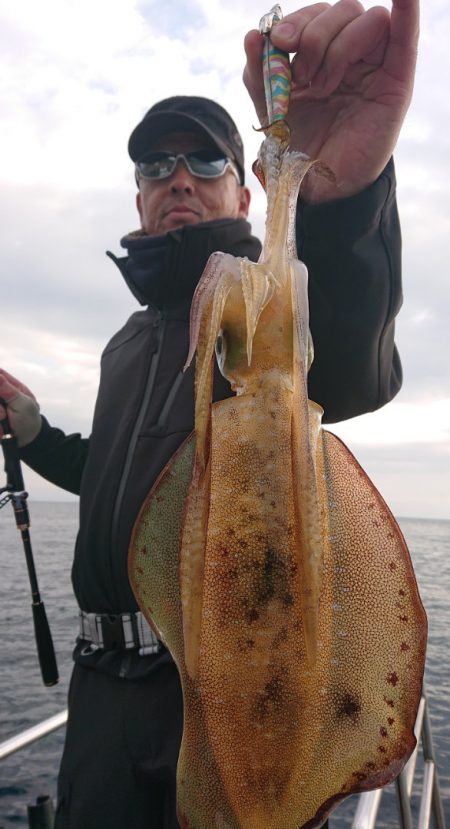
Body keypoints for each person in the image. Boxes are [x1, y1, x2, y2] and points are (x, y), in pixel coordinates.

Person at [0, 0, 419, 826]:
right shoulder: (127, 343)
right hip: (103, 703)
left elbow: (348, 362)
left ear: (243, 185)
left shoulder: (260, 311)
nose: (178, 178)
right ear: (138, 196)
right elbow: (114, 481)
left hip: (225, 687)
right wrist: (35, 431)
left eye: (202, 159)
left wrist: (337, 204)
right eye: (156, 167)